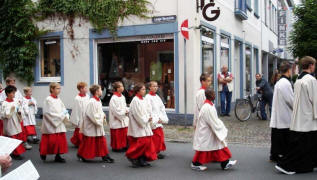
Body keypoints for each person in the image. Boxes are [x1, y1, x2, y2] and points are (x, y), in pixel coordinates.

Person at [276, 56, 317, 175]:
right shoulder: (311, 80)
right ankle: (287, 165)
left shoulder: (299, 79)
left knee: (303, 143)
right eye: (314, 65)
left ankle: (307, 164)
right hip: (308, 117)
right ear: (310, 66)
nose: (314, 67)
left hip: (300, 115)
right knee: (304, 145)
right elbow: (314, 99)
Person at [191, 88, 237, 171]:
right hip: (207, 132)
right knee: (204, 149)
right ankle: (196, 164)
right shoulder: (208, 107)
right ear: (209, 96)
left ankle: (225, 163)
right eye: (213, 94)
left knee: (218, 146)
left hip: (209, 131)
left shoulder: (209, 105)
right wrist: (222, 128)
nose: (214, 95)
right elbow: (213, 121)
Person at [77, 84, 114, 163]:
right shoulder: (91, 102)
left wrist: (102, 115)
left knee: (101, 140)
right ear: (97, 91)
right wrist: (101, 117)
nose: (101, 91)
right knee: (89, 141)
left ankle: (105, 155)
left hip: (97, 124)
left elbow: (99, 112)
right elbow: (91, 115)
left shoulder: (98, 100)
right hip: (92, 125)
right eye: (100, 90)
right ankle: (82, 154)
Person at [126, 83, 157, 167]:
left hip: (145, 124)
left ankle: (142, 159)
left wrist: (149, 117)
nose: (144, 91)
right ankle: (132, 156)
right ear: (138, 91)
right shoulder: (135, 100)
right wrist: (146, 119)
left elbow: (147, 110)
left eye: (144, 89)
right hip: (139, 125)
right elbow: (137, 114)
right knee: (141, 142)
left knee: (147, 142)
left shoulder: (143, 99)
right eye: (143, 89)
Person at [269, 62, 294, 162]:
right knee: (283, 136)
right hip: (284, 114)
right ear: (288, 70)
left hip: (279, 113)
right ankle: (282, 154)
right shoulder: (285, 83)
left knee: (276, 135)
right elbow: (290, 100)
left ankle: (274, 155)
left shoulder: (280, 82)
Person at [40, 82, 70, 163]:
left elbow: (63, 108)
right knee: (50, 140)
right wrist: (60, 116)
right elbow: (47, 113)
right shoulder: (48, 99)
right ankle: (43, 153)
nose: (59, 90)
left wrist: (65, 114)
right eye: (57, 88)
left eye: (59, 88)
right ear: (52, 89)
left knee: (59, 140)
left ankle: (58, 155)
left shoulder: (58, 99)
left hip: (59, 122)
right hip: (51, 123)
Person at [145, 81, 169, 159]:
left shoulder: (157, 96)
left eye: (156, 86)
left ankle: (157, 151)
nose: (156, 88)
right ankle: (153, 152)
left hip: (159, 119)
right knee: (154, 137)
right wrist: (155, 119)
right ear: (149, 87)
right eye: (154, 86)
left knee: (159, 137)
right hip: (154, 121)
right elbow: (149, 110)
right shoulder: (148, 97)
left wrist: (162, 118)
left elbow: (162, 108)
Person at [1, 85, 26, 160]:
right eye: (12, 93)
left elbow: (20, 109)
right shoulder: (4, 103)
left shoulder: (15, 101)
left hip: (16, 121)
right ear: (8, 93)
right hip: (10, 123)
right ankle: (15, 153)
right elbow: (3, 114)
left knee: (16, 137)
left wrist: (19, 112)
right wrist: (10, 111)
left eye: (14, 93)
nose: (14, 94)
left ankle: (14, 152)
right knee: (12, 137)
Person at [109, 81, 129, 152]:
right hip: (117, 119)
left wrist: (127, 110)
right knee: (117, 133)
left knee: (123, 132)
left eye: (122, 86)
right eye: (121, 86)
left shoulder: (122, 97)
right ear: (117, 88)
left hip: (123, 117)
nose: (122, 87)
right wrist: (123, 113)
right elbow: (115, 110)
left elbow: (124, 106)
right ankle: (116, 147)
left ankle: (124, 145)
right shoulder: (113, 98)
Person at [69, 82, 89, 148]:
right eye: (85, 88)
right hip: (80, 116)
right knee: (79, 129)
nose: (87, 89)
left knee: (84, 129)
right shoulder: (77, 99)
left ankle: (77, 141)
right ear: (81, 89)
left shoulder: (87, 96)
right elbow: (76, 110)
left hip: (86, 115)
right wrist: (76, 120)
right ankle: (79, 142)